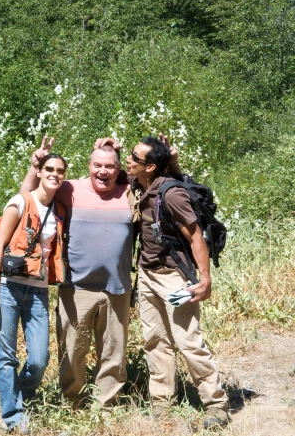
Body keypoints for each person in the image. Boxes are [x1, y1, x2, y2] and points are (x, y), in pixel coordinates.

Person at [20, 136, 135, 409]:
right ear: (89, 165)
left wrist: (118, 151)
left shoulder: (129, 192)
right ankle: (75, 403)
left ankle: (107, 404)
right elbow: (27, 197)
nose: (103, 172)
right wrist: (34, 165)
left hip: (117, 287)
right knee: (72, 352)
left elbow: (145, 173)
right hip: (76, 287)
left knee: (114, 352)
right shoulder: (70, 189)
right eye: (97, 165)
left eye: (109, 166)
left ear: (118, 169)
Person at [124, 135, 230, 429]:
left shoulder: (171, 195)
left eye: (135, 157)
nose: (128, 160)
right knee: (155, 340)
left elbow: (195, 237)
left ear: (151, 167)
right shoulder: (138, 184)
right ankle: (162, 403)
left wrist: (204, 279)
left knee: (187, 340)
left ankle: (216, 404)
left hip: (174, 279)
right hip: (146, 276)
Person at [0, 152, 69, 434]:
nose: (54, 174)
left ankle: (18, 397)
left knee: (39, 359)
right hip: (8, 288)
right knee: (6, 355)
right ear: (40, 171)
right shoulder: (19, 202)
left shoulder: (59, 210)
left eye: (60, 171)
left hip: (38, 291)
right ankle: (12, 415)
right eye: (49, 169)